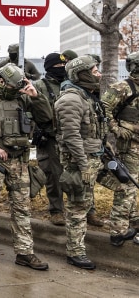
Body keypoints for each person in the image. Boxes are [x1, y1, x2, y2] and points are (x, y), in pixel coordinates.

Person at [0, 64, 48, 270]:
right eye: (14, 86)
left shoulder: (24, 99)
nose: (17, 90)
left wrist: (35, 96)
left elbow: (47, 119)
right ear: (1, 81)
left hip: (20, 163)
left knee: (22, 209)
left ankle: (25, 252)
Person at [54, 55, 106, 270]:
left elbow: (94, 129)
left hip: (92, 157)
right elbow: (71, 136)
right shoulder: (71, 100)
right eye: (94, 71)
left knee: (85, 203)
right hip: (79, 161)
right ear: (82, 74)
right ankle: (75, 252)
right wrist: (83, 165)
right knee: (77, 205)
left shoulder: (87, 97)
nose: (99, 74)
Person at [101, 51, 139, 246]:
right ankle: (118, 231)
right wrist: (116, 129)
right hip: (130, 146)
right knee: (127, 187)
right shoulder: (123, 87)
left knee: (134, 188)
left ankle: (133, 221)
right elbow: (103, 108)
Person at [29, 52, 68, 226]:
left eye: (63, 66)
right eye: (57, 67)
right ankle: (56, 209)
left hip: (70, 135)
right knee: (53, 175)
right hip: (49, 137)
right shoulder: (39, 85)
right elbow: (31, 110)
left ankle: (88, 210)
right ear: (49, 68)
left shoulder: (70, 85)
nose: (61, 69)